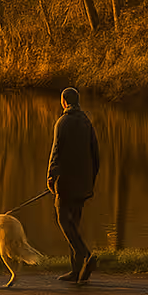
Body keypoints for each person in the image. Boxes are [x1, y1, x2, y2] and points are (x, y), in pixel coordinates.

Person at [46, 86, 100, 284]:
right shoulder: (87, 122)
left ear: (63, 101)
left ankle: (86, 255)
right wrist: (90, 179)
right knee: (74, 225)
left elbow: (56, 152)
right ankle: (77, 271)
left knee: (63, 221)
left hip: (66, 184)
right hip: (84, 184)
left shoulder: (63, 122)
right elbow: (96, 155)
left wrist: (51, 177)